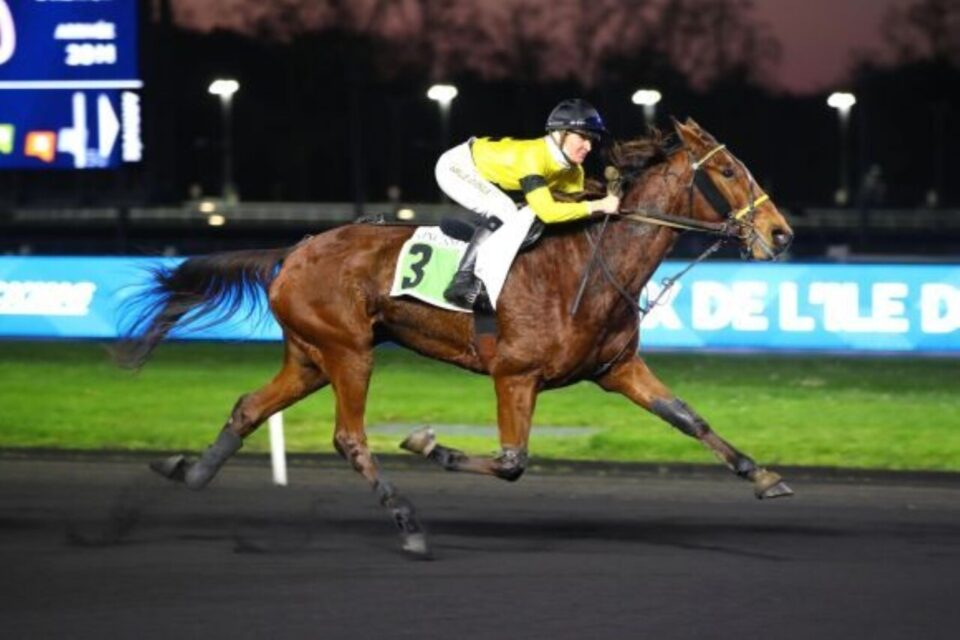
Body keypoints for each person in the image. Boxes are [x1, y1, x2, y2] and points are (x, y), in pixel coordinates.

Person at [434, 98, 621, 309]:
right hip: (456, 166)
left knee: (518, 215)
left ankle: (479, 247)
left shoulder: (575, 171)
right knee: (504, 209)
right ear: (560, 134)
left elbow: (572, 211)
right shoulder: (534, 157)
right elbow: (548, 212)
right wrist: (600, 205)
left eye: (592, 140)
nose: (588, 146)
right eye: (583, 137)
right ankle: (462, 280)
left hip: (485, 174)